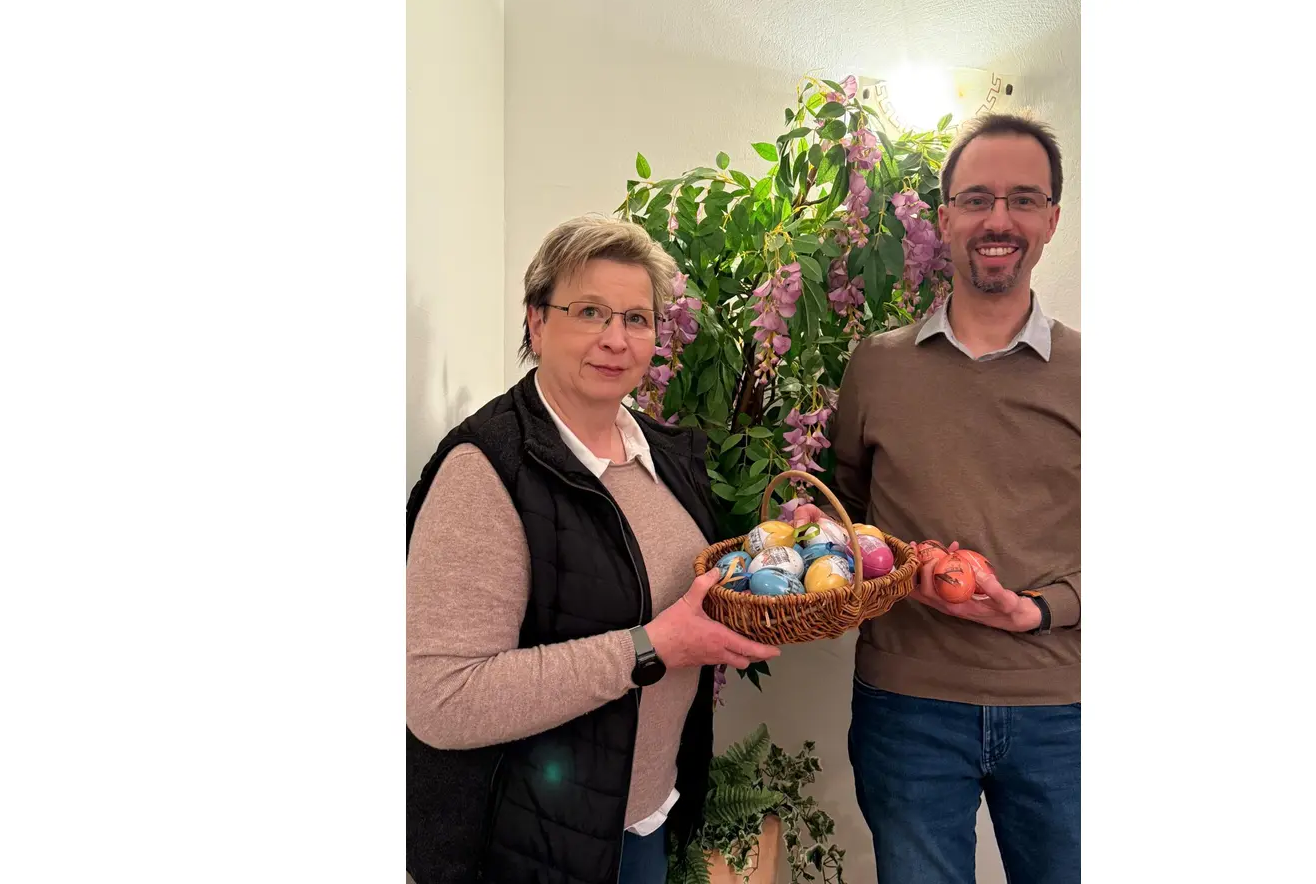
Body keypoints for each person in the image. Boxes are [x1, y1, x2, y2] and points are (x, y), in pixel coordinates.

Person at [404, 214, 779, 884]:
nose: (616, 339)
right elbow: (441, 699)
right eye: (589, 311)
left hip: (641, 819)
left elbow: (678, 577)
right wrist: (650, 648)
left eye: (637, 318)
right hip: (530, 848)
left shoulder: (660, 452)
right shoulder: (486, 471)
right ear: (537, 322)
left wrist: (791, 539)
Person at [824, 113, 1081, 884]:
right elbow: (850, 514)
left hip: (1062, 710)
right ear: (945, 219)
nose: (997, 219)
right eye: (976, 198)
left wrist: (1037, 608)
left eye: (1023, 199)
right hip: (908, 709)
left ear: (1051, 221)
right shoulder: (876, 367)